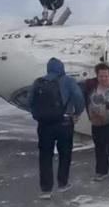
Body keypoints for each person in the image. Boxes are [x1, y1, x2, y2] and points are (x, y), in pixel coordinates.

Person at [27, 57, 85, 199]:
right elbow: (78, 98)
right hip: (64, 123)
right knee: (65, 154)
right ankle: (63, 183)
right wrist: (77, 113)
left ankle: (46, 189)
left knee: (45, 155)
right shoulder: (68, 81)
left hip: (45, 125)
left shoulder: (38, 82)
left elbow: (30, 101)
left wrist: (38, 116)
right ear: (61, 68)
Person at [81, 63, 109, 181]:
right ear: (97, 76)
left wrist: (106, 111)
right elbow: (87, 100)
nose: (103, 78)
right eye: (101, 76)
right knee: (99, 147)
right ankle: (101, 171)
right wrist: (91, 115)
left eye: (106, 76)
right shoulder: (92, 87)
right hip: (97, 123)